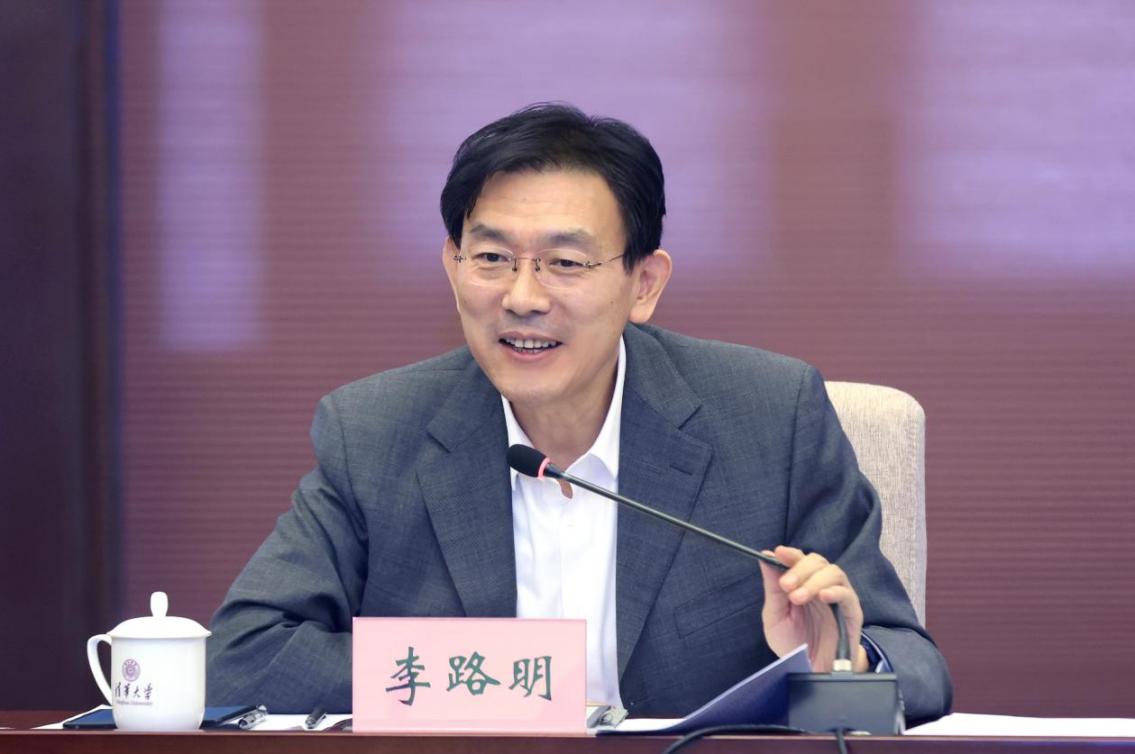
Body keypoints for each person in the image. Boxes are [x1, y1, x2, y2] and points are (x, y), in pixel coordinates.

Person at [206, 103, 952, 724]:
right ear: (452, 267)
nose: (523, 297)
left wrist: (837, 665)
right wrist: (508, 683)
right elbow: (243, 656)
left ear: (643, 284)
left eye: (565, 263)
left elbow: (914, 667)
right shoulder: (373, 431)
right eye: (491, 258)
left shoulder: (768, 416)